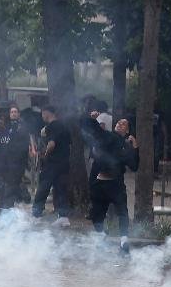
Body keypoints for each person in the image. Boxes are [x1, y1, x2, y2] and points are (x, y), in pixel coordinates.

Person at [83, 116, 138, 253]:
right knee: (96, 214)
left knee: (122, 213)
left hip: (116, 184)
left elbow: (134, 166)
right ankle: (101, 235)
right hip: (99, 183)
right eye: (119, 122)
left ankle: (124, 240)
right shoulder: (107, 136)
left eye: (124, 124)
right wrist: (92, 119)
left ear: (128, 131)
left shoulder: (126, 146)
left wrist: (135, 148)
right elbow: (94, 130)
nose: (120, 123)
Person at [0, 104, 33, 213]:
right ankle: (1, 213)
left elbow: (23, 147)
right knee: (0, 192)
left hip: (12, 168)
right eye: (0, 120)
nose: (1, 122)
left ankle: (8, 213)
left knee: (9, 193)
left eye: (3, 120)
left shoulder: (16, 130)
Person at [32, 105, 72, 225]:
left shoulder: (52, 126)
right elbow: (69, 144)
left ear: (46, 113)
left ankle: (36, 214)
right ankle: (63, 217)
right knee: (60, 188)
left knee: (43, 187)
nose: (42, 116)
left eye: (42, 114)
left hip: (53, 163)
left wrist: (44, 154)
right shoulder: (64, 126)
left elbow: (51, 144)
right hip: (64, 162)